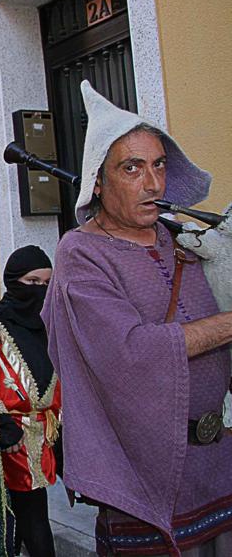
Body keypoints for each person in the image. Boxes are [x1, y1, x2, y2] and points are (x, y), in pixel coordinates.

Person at [42, 81, 232, 555]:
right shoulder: (80, 253)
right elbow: (132, 351)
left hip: (221, 466)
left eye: (159, 165)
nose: (152, 184)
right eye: (132, 168)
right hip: (144, 478)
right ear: (99, 182)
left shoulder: (181, 238)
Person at [0, 246, 60, 557]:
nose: (40, 291)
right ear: (13, 281)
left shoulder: (51, 322)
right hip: (8, 437)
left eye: (47, 284)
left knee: (33, 515)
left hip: (45, 433)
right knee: (15, 519)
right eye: (32, 282)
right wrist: (2, 422)